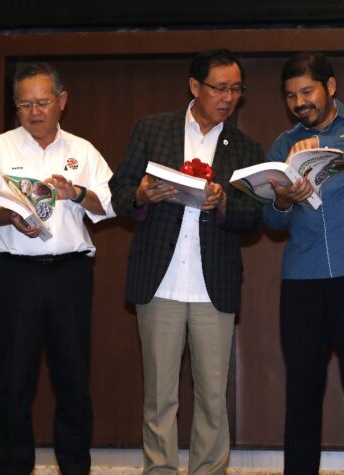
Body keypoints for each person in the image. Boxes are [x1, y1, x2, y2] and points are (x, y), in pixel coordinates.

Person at [109, 49, 264, 475]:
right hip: (159, 282)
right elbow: (119, 193)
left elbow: (256, 217)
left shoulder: (245, 147)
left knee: (213, 396)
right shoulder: (152, 129)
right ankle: (159, 470)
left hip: (214, 285)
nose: (228, 98)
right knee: (160, 396)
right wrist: (141, 194)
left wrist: (224, 202)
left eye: (236, 89)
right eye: (220, 88)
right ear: (195, 86)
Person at [0, 62, 114, 475]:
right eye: (24, 104)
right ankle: (14, 468)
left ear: (61, 101)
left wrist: (77, 193)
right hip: (17, 276)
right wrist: (10, 216)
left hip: (71, 275)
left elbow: (111, 204)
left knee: (73, 380)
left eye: (42, 102)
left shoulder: (82, 150)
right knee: (14, 380)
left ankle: (75, 467)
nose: (34, 112)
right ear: (16, 106)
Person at [264, 52, 344, 475]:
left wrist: (325, 146)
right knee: (301, 390)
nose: (299, 103)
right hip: (302, 279)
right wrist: (283, 199)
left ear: (330, 87)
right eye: (290, 96)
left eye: (307, 91)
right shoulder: (283, 145)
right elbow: (271, 220)